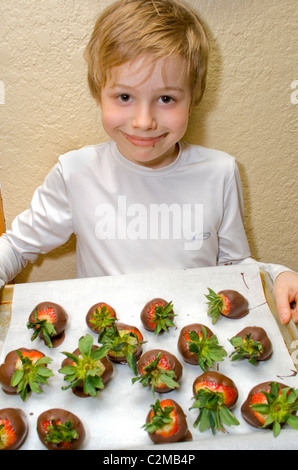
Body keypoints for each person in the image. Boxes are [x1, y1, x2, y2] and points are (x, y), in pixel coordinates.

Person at [0, 0, 297, 325]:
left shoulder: (220, 173)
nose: (143, 121)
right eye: (125, 97)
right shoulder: (76, 173)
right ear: (99, 92)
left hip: (193, 345)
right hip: (106, 351)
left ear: (193, 98)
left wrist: (278, 274)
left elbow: (235, 265)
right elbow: (16, 246)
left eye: (166, 98)